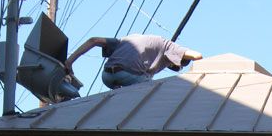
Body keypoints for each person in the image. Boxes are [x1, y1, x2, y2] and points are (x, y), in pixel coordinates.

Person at [64, 34, 203, 89]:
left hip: (106, 76)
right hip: (128, 75)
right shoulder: (169, 46)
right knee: (155, 87)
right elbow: (198, 55)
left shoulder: (127, 39)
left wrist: (69, 62)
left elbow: (93, 40)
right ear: (175, 59)